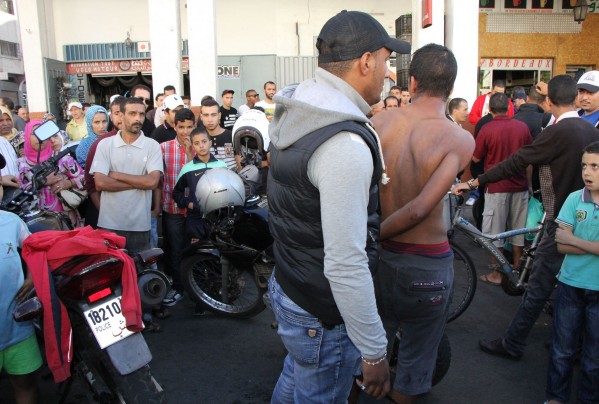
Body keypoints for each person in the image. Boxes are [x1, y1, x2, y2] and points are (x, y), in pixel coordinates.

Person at [267, 10, 411, 402]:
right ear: (366, 61)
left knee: (296, 379)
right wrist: (374, 350)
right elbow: (345, 262)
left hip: (292, 285)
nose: (388, 72)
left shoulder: (299, 109)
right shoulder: (341, 142)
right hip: (321, 309)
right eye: (385, 61)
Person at [453, 74, 599, 360]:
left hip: (560, 221)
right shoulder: (590, 132)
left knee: (539, 287)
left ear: (548, 100)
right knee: (572, 285)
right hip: (587, 219)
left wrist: (473, 183)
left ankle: (514, 342)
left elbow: (517, 162)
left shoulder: (557, 132)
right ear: (574, 97)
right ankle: (570, 339)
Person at [373, 44, 474, 403]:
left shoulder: (379, 122)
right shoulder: (460, 138)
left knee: (369, 350)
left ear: (412, 81)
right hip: (427, 262)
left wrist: (372, 237)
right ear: (451, 86)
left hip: (379, 259)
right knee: (415, 364)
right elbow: (418, 209)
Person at [90, 97, 163, 331]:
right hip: (109, 225)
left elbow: (152, 181)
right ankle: (114, 325)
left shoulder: (151, 146)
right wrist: (137, 182)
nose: (138, 119)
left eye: (141, 114)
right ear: (119, 116)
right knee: (110, 277)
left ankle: (142, 319)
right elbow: (100, 182)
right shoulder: (105, 145)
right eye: (132, 114)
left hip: (140, 224)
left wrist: (118, 175)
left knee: (140, 275)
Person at [544, 141, 599, 404]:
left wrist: (576, 240)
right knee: (561, 351)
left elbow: (569, 241)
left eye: (595, 167)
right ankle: (556, 399)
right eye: (585, 166)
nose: (587, 172)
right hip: (569, 285)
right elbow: (560, 243)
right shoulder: (575, 198)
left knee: (593, 359)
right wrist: (590, 247)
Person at [472, 92, 533, 285]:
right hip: (520, 186)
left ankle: (496, 274)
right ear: (509, 107)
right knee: (518, 231)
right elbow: (530, 156)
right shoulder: (522, 127)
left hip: (496, 187)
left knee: (494, 234)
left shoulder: (488, 129)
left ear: (489, 110)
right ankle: (517, 270)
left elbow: (475, 158)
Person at [0, 152, 42, 404]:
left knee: (24, 383)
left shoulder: (12, 222)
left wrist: (32, 277)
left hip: (17, 326)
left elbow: (32, 250)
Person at [18, 120, 86, 227]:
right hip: (35, 223)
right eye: (34, 134)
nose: (39, 137)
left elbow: (84, 178)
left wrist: (68, 183)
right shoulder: (21, 165)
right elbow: (18, 193)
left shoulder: (62, 158)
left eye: (42, 133)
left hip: (66, 219)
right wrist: (42, 182)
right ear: (27, 136)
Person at [160, 108, 195, 307]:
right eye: (181, 127)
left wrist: (191, 152)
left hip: (194, 210)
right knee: (175, 249)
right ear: (175, 126)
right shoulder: (163, 148)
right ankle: (179, 287)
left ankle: (195, 288)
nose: (185, 132)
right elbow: (159, 179)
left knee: (194, 249)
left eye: (189, 127)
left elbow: (198, 176)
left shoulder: (199, 148)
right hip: (171, 207)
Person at [172, 127, 227, 240]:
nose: (201, 146)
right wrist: (189, 203)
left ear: (210, 143)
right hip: (195, 220)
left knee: (219, 254)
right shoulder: (187, 169)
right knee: (198, 255)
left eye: (204, 141)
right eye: (197, 143)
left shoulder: (222, 166)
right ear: (192, 145)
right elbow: (176, 193)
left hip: (218, 219)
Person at [84, 96, 124, 229]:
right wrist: (104, 213)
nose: (121, 117)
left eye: (124, 113)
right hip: (104, 212)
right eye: (117, 113)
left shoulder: (142, 141)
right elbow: (92, 183)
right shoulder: (100, 143)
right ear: (111, 116)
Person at [200, 98, 236, 170]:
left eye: (213, 115)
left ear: (219, 116)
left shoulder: (232, 136)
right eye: (206, 115)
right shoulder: (198, 138)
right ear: (201, 117)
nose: (210, 120)